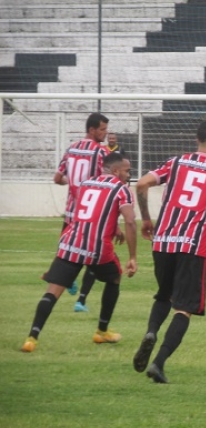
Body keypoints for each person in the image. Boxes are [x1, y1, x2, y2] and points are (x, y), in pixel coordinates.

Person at [132, 120, 206, 384]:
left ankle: (151, 331)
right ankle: (158, 363)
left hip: (164, 241)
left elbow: (141, 184)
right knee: (184, 308)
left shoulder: (177, 162)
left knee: (163, 295)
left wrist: (145, 219)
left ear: (196, 140)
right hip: (193, 247)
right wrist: (205, 228)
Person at [21, 153, 137, 352]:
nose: (129, 174)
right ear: (116, 171)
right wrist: (133, 256)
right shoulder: (122, 190)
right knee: (114, 278)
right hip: (96, 249)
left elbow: (90, 211)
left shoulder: (87, 183)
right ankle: (101, 331)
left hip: (71, 243)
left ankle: (32, 338)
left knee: (52, 292)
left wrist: (112, 227)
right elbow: (130, 221)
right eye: (127, 170)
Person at [54, 112, 113, 312]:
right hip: (91, 214)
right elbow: (104, 182)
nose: (106, 133)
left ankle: (67, 279)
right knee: (93, 255)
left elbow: (57, 177)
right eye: (103, 129)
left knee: (66, 253)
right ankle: (81, 300)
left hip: (71, 212)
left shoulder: (72, 148)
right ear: (92, 130)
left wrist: (71, 183)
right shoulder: (101, 152)